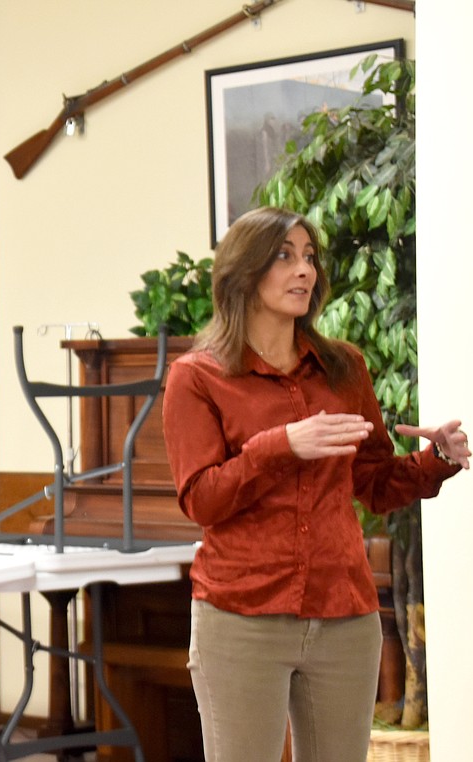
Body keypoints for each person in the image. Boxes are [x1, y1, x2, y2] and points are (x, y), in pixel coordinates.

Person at [162, 206, 469, 762]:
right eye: (284, 256)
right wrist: (281, 446)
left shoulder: (344, 367)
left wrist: (436, 461)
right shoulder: (196, 377)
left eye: (309, 257)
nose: (303, 270)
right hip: (241, 619)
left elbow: (373, 484)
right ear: (242, 272)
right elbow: (201, 499)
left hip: (344, 618)